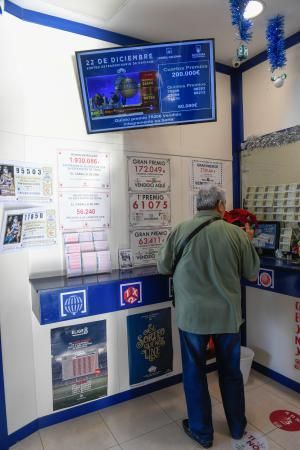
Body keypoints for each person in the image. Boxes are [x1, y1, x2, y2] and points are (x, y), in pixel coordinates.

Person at [157, 184, 260, 448]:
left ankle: (202, 432)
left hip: (192, 318)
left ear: (198, 206)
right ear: (221, 206)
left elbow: (163, 266)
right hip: (227, 317)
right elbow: (250, 273)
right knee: (230, 372)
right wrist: (248, 241)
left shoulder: (180, 230)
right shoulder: (236, 234)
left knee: (194, 372)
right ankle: (237, 427)